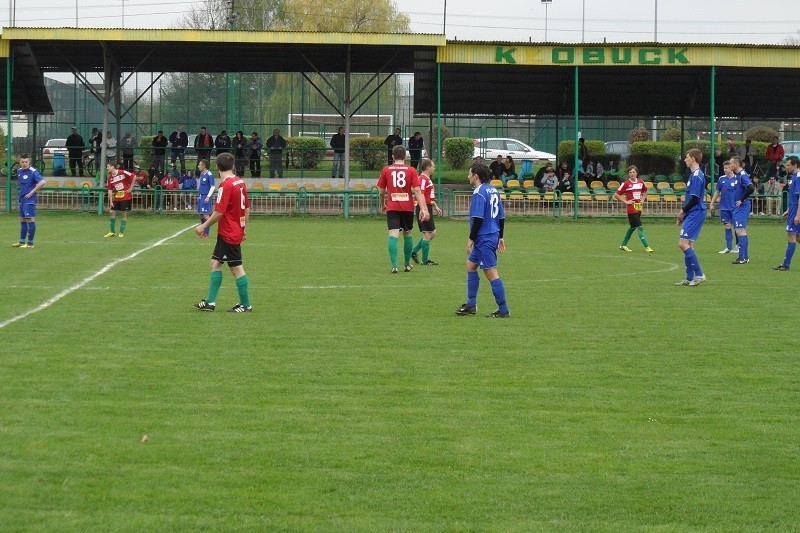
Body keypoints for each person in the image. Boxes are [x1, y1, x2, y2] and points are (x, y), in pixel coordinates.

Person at [194, 152, 252, 313]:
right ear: (233, 166)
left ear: (217, 167)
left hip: (229, 233)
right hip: (231, 231)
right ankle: (210, 303)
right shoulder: (240, 182)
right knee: (215, 263)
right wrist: (243, 227)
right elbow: (247, 207)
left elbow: (219, 212)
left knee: (236, 268)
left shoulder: (225, 186)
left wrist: (203, 226)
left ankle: (246, 305)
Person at [455, 163, 510, 318]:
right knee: (471, 265)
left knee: (490, 271)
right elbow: (501, 217)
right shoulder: (493, 190)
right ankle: (471, 304)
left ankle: (503, 309)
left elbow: (478, 219)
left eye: (469, 173)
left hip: (484, 237)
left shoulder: (479, 192)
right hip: (491, 234)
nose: (468, 176)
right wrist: (501, 236)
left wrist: (470, 239)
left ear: (476, 176)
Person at [377, 145, 429, 273]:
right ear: (405, 156)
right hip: (407, 207)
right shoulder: (411, 170)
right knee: (408, 233)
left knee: (393, 235)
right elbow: (417, 190)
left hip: (393, 207)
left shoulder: (386, 170)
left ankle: (394, 266)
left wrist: (382, 204)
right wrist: (423, 208)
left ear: (392, 156)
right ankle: (406, 264)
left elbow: (381, 191)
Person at [675, 149, 707, 286]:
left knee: (682, 244)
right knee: (688, 245)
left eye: (687, 157)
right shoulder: (694, 175)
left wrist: (682, 211)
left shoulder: (697, 176)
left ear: (693, 158)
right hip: (692, 213)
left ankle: (699, 274)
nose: (685, 160)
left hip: (696, 212)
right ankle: (689, 278)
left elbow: (694, 198)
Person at [410, 158, 443, 266]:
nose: (434, 168)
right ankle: (425, 260)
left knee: (432, 233)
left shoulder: (426, 179)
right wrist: (423, 209)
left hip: (427, 207)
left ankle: (414, 252)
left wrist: (435, 206)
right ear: (428, 167)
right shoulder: (423, 179)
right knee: (428, 234)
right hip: (423, 208)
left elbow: (428, 197)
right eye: (433, 166)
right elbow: (421, 194)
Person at [613, 165, 653, 253]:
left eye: (633, 172)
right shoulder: (626, 183)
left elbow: (645, 190)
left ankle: (623, 245)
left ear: (636, 173)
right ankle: (647, 246)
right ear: (628, 174)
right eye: (630, 172)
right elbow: (616, 195)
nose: (632, 174)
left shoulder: (641, 182)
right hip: (631, 208)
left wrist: (642, 199)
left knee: (633, 227)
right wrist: (626, 201)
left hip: (638, 207)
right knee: (639, 226)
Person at [11, 155, 45, 248]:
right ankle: (22, 242)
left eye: (26, 162)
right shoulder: (19, 171)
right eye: (22, 162)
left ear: (29, 163)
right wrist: (20, 198)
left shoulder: (33, 172)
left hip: (30, 199)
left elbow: (42, 182)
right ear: (20, 163)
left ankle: (30, 243)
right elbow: (22, 185)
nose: (24, 163)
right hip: (22, 199)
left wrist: (32, 192)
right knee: (22, 220)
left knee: (30, 219)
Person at [773, 155, 800, 271]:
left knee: (791, 236)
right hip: (793, 209)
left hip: (796, 211)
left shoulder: (798, 177)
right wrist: (789, 210)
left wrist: (798, 214)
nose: (786, 167)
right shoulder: (794, 176)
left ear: (795, 165)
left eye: (788, 165)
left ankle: (786, 265)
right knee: (797, 237)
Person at [708, 160, 738, 254]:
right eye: (724, 168)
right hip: (724, 207)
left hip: (735, 207)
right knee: (727, 226)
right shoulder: (722, 179)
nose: (725, 170)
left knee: (737, 227)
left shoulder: (737, 179)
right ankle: (728, 247)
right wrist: (712, 203)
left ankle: (738, 246)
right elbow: (717, 192)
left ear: (731, 168)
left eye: (727, 168)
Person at [729, 156, 755, 264]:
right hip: (739, 207)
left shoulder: (742, 175)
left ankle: (742, 258)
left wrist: (741, 199)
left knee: (740, 231)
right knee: (741, 231)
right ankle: (745, 257)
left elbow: (751, 188)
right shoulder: (738, 176)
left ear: (736, 164)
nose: (729, 165)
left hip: (742, 207)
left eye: (731, 163)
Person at [104, 161, 134, 238]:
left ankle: (121, 232)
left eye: (108, 166)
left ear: (113, 167)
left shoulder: (122, 172)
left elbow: (134, 176)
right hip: (117, 196)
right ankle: (112, 232)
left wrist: (131, 188)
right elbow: (110, 190)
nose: (107, 168)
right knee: (111, 212)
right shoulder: (110, 177)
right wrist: (111, 201)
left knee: (124, 212)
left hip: (126, 196)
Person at [196, 159, 216, 239]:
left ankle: (206, 233)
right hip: (201, 196)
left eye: (199, 165)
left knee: (206, 215)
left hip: (206, 196)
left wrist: (208, 196)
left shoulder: (209, 174)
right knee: (201, 215)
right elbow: (201, 186)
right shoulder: (202, 174)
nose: (198, 166)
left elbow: (212, 186)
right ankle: (202, 232)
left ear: (203, 165)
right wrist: (199, 195)